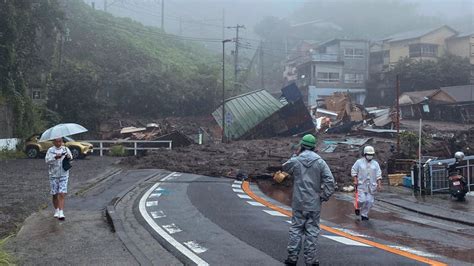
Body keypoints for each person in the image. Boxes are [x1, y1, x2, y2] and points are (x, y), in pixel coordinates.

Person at [282, 134, 335, 266]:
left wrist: (295, 155)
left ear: (302, 146)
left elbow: (285, 167)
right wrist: (324, 196)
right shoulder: (320, 162)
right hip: (314, 203)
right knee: (312, 231)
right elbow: (330, 181)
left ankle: (292, 258)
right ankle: (310, 260)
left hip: (299, 201)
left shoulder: (296, 160)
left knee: (296, 229)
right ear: (314, 147)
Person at [351, 146, 382, 221]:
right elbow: (354, 170)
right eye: (368, 154)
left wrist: (379, 184)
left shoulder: (375, 164)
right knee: (362, 200)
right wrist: (355, 180)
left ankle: (364, 214)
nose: (370, 156)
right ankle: (357, 207)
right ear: (365, 154)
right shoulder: (359, 162)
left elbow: (378, 174)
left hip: (372, 186)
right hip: (361, 185)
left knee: (369, 201)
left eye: (371, 154)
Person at [45, 138, 72, 220]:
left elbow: (71, 157)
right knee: (55, 194)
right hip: (53, 175)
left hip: (64, 174)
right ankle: (56, 209)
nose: (58, 143)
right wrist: (55, 157)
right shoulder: (50, 150)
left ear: (62, 142)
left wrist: (68, 156)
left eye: (60, 141)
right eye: (56, 141)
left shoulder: (65, 148)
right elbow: (47, 161)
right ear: (53, 142)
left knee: (62, 193)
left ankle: (61, 212)